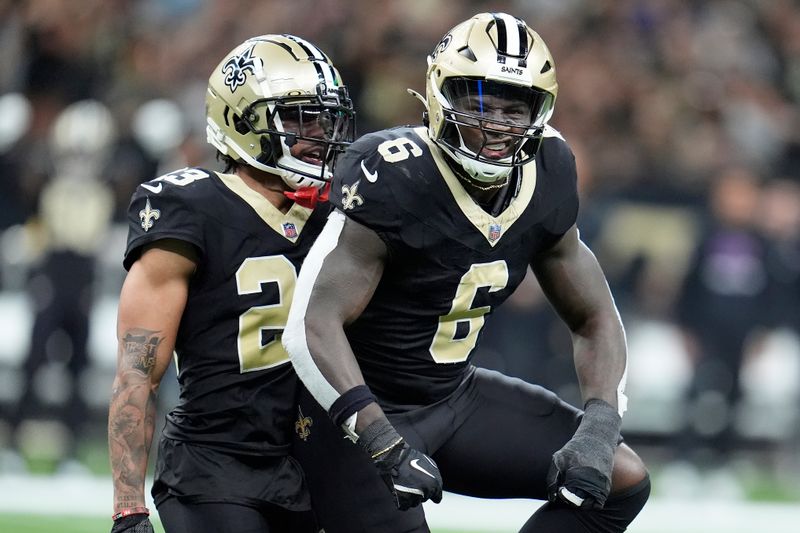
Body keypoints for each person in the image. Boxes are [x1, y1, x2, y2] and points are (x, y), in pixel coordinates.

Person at [284, 13, 650, 533]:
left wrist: (599, 425)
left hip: (453, 396)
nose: (495, 122)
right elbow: (311, 323)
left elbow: (595, 317)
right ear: (440, 94)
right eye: (478, 101)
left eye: (512, 106)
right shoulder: (394, 173)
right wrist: (380, 438)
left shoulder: (550, 169)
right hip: (359, 412)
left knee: (621, 477)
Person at [108, 34, 354, 533]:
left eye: (323, 117)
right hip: (211, 465)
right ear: (242, 121)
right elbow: (138, 372)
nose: (317, 133)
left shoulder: (339, 213)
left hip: (309, 465)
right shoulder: (191, 209)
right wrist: (128, 506)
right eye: (297, 118)